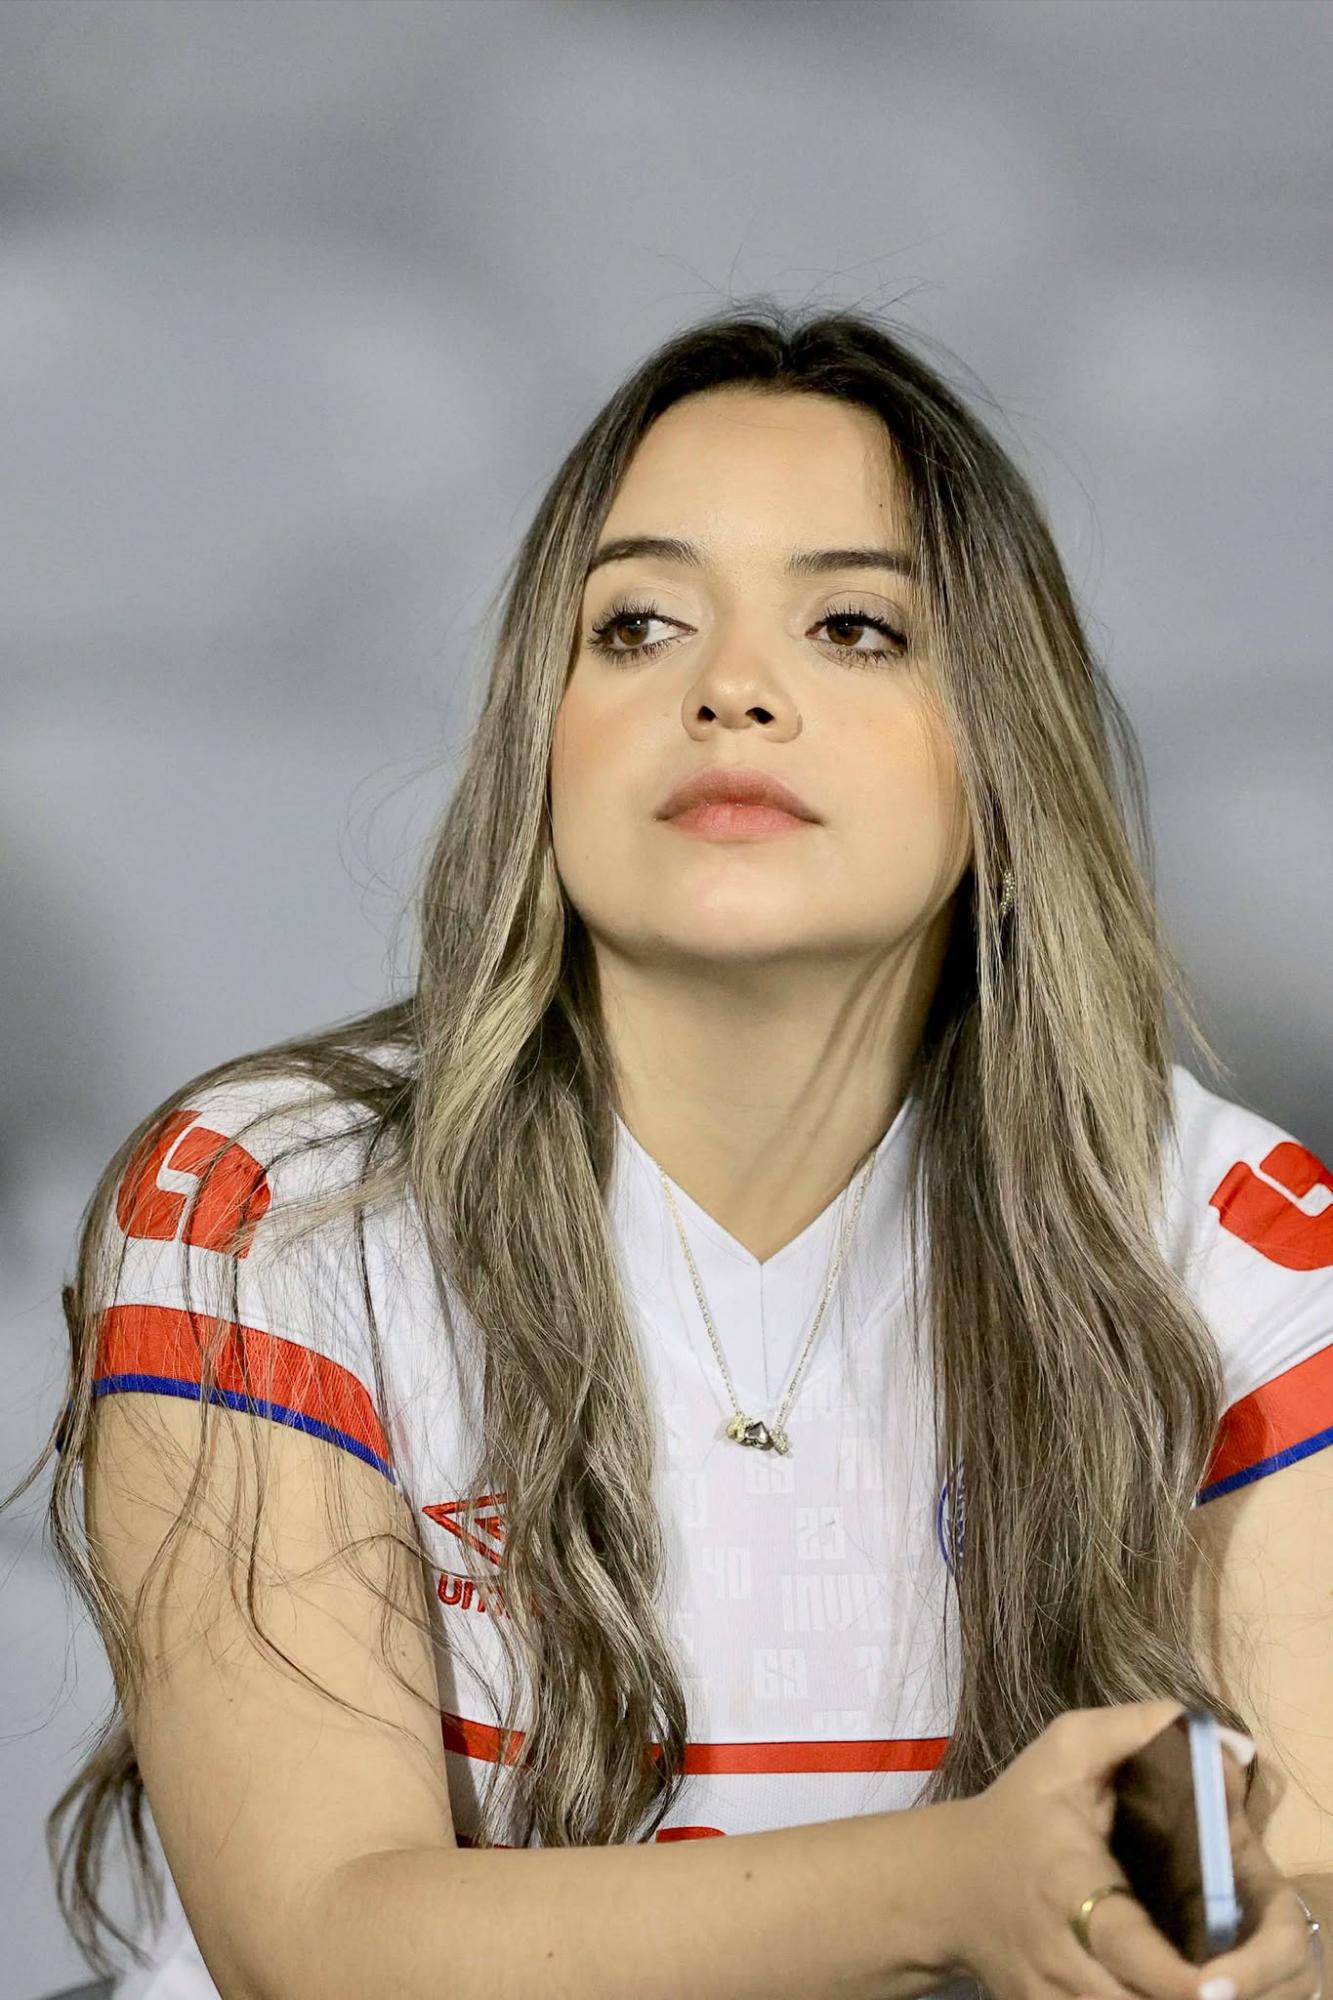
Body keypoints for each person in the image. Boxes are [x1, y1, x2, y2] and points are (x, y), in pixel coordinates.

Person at [14, 305, 1330, 2000]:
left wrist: (1239, 1945)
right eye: (636, 625)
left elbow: (1298, 1897)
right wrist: (958, 1888)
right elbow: (323, 1949)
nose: (729, 689)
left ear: (1005, 762)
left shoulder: (1236, 1238)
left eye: (853, 627)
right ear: (539, 744)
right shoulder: (269, 1207)